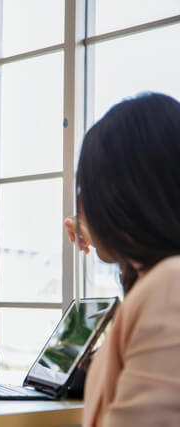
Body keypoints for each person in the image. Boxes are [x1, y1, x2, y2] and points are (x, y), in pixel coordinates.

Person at [63, 93, 180, 426]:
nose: (81, 203)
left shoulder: (169, 287)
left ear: (119, 193)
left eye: (86, 188)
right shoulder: (161, 279)